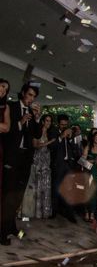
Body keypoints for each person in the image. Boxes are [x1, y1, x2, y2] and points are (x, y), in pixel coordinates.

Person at [2, 83, 40, 244]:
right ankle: (1, 232)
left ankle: (11, 227)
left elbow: (37, 135)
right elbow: (7, 132)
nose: (31, 99)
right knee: (7, 196)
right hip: (12, 157)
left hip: (25, 159)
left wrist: (37, 118)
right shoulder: (11, 107)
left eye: (34, 97)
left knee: (18, 196)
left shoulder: (32, 112)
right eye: (30, 95)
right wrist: (21, 122)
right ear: (23, 93)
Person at [22, 114, 55, 219]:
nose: (48, 123)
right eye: (46, 120)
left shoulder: (49, 132)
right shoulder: (38, 131)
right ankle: (29, 212)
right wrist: (48, 142)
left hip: (46, 162)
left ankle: (41, 213)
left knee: (44, 186)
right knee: (34, 186)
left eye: (50, 121)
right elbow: (35, 145)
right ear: (42, 121)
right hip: (37, 161)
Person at [50, 113, 81, 222]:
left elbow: (75, 149)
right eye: (62, 125)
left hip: (68, 164)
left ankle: (70, 214)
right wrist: (61, 136)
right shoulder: (53, 132)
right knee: (56, 189)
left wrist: (72, 137)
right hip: (58, 164)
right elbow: (52, 147)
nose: (64, 126)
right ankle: (53, 212)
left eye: (66, 124)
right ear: (58, 124)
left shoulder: (70, 134)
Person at [82, 130, 97, 222]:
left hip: (96, 172)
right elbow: (82, 161)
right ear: (93, 137)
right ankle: (86, 212)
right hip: (88, 171)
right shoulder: (88, 147)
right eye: (96, 136)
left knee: (95, 193)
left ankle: (92, 213)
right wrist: (93, 162)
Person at [0, 79, 10, 243]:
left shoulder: (5, 107)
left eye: (6, 89)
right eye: (1, 86)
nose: (3, 90)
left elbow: (6, 127)